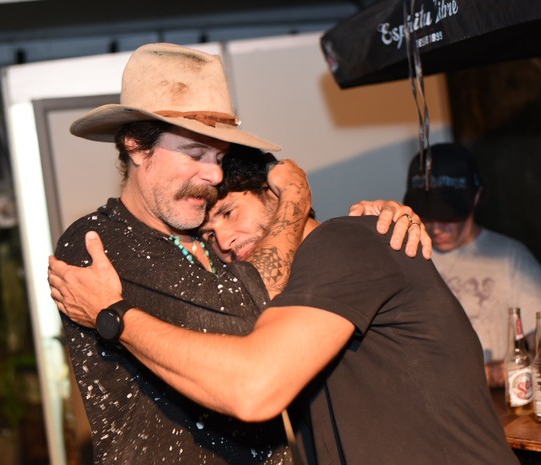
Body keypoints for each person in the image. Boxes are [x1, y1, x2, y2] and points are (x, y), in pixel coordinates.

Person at [52, 42, 429, 465]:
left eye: (218, 156)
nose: (213, 174)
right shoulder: (98, 243)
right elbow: (252, 317)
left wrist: (371, 222)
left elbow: (302, 281)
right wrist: (295, 196)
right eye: (194, 154)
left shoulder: (209, 240)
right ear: (137, 146)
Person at [49, 147, 518, 465]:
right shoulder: (285, 298)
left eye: (231, 214)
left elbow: (253, 387)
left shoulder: (348, 243)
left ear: (276, 196)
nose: (226, 241)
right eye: (210, 236)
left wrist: (115, 315)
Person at [403, 142, 541, 386]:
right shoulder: (403, 257)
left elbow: (537, 345)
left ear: (476, 196)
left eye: (448, 216)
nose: (436, 227)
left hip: (495, 406)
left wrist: (488, 375)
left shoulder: (509, 258)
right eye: (426, 214)